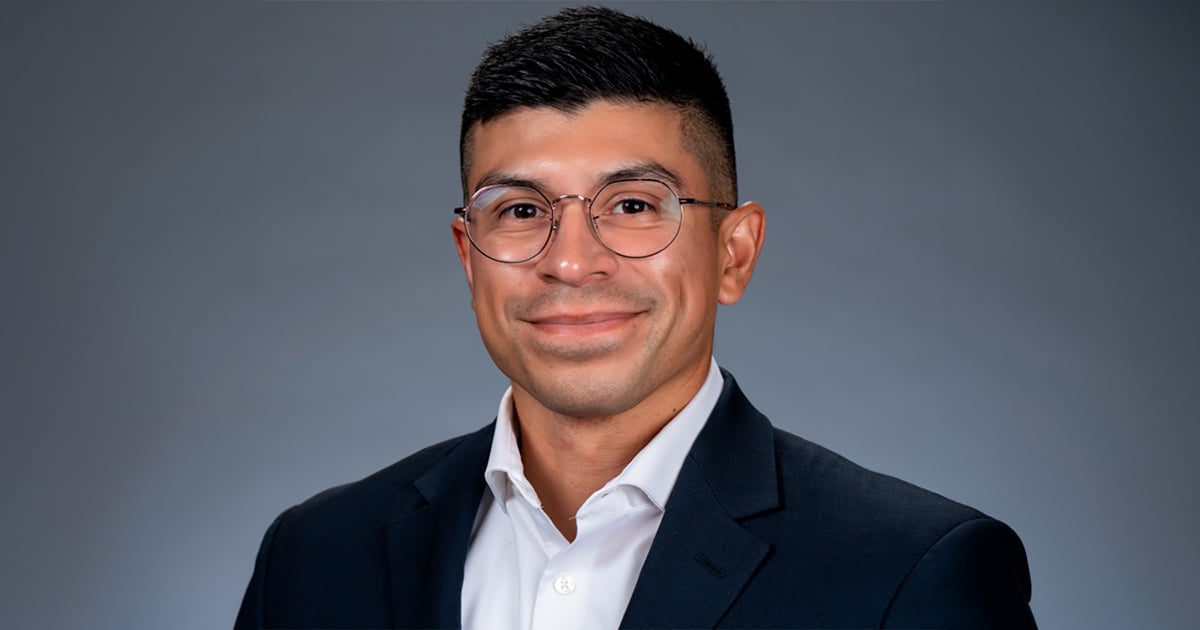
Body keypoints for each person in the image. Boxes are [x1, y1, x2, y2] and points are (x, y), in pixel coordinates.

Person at [235, 6, 1036, 629]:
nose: (571, 262)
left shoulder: (910, 573)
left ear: (734, 253)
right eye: (520, 210)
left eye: (632, 205)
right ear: (468, 257)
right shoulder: (315, 557)